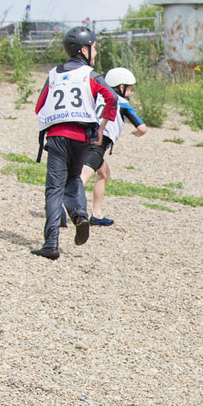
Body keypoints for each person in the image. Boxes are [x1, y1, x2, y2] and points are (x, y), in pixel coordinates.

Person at [32, 26, 117, 260]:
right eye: (94, 48)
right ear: (83, 49)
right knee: (73, 177)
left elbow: (39, 106)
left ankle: (51, 244)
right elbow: (111, 97)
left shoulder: (54, 74)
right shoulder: (91, 75)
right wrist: (101, 127)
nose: (96, 52)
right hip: (82, 137)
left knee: (54, 189)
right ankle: (79, 214)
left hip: (57, 136)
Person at [78, 67, 148, 227]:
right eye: (129, 88)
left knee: (103, 173)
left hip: (85, 138)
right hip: (99, 143)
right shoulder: (122, 103)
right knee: (82, 177)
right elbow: (142, 128)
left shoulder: (98, 97)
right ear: (120, 86)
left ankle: (97, 214)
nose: (130, 93)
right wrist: (136, 133)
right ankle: (66, 207)